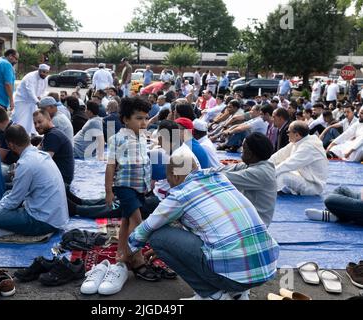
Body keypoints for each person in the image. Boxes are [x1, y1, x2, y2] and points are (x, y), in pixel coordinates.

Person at [124, 151, 279, 300]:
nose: (169, 184)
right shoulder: (220, 179)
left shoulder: (181, 194)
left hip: (235, 273)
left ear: (175, 176)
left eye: (168, 179)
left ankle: (213, 295)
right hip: (266, 266)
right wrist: (176, 246)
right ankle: (238, 293)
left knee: (158, 237)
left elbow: (146, 228)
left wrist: (126, 253)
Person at [0, 125, 69, 236]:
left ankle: (11, 228)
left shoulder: (25, 163)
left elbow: (14, 201)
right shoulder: (42, 154)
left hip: (43, 221)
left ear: (11, 145)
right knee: (7, 194)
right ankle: (9, 225)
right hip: (56, 217)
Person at [105, 96, 159, 281]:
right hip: (124, 186)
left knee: (127, 221)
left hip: (139, 187)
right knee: (138, 222)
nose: (143, 122)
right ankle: (135, 258)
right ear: (125, 119)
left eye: (146, 118)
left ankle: (122, 253)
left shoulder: (144, 137)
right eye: (138, 118)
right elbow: (111, 165)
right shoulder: (118, 139)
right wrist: (108, 191)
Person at [218, 133, 277, 226]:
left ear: (251, 153)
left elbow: (221, 178)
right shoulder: (251, 163)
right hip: (245, 217)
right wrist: (199, 172)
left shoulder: (261, 172)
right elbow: (221, 170)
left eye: (244, 148)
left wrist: (195, 174)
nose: (241, 151)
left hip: (254, 225)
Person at [270, 121, 328, 195]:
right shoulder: (299, 141)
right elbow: (278, 156)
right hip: (302, 177)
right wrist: (263, 166)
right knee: (275, 168)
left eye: (288, 131)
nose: (287, 134)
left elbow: (288, 164)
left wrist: (267, 174)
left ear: (297, 135)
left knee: (282, 176)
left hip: (313, 186)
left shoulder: (309, 147)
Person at [33, 109, 74, 186]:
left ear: (49, 119)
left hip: (61, 181)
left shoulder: (53, 135)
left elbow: (43, 162)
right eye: (35, 123)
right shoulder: (49, 133)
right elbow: (36, 150)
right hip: (58, 178)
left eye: (40, 122)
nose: (37, 126)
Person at [12, 64, 50, 135]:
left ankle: (30, 136)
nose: (45, 74)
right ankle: (17, 135)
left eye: (47, 72)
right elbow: (30, 91)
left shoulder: (45, 79)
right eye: (43, 72)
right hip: (22, 101)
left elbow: (44, 91)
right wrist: (38, 102)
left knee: (32, 121)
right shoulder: (30, 77)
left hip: (33, 102)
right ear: (39, 70)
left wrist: (40, 97)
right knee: (21, 120)